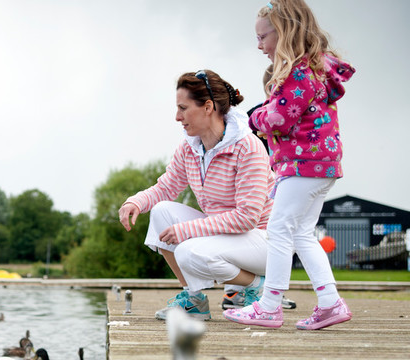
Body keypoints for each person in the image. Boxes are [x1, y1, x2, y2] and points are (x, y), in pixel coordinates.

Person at [224, 0, 355, 330]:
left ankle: (269, 306)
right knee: (301, 234)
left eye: (262, 37)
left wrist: (254, 117)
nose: (259, 45)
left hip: (303, 164)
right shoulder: (314, 69)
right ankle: (330, 302)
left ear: (283, 33)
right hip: (321, 164)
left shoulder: (298, 72)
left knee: (279, 231)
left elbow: (279, 118)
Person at [118, 69, 275, 321]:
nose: (177, 117)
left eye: (183, 108)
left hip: (264, 241)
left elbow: (247, 218)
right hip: (227, 236)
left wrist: (187, 230)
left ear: (208, 107)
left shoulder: (248, 147)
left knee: (188, 251)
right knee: (161, 212)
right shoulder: (190, 147)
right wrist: (135, 201)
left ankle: (257, 286)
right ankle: (194, 300)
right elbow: (166, 188)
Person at [223, 64, 297, 312]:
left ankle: (245, 291)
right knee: (268, 236)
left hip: (262, 181)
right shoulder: (260, 116)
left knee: (259, 237)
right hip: (261, 183)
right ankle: (248, 291)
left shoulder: (258, 115)